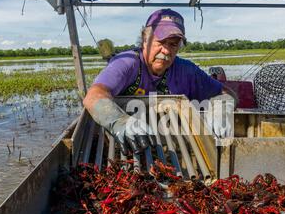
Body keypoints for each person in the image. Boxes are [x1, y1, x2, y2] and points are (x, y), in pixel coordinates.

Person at [83, 9, 237, 155]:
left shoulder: (186, 70)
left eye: (173, 44)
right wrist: (119, 121)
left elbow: (227, 93)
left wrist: (221, 109)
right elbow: (94, 95)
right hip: (126, 147)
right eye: (161, 42)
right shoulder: (127, 62)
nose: (166, 51)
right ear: (145, 39)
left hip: (172, 149)